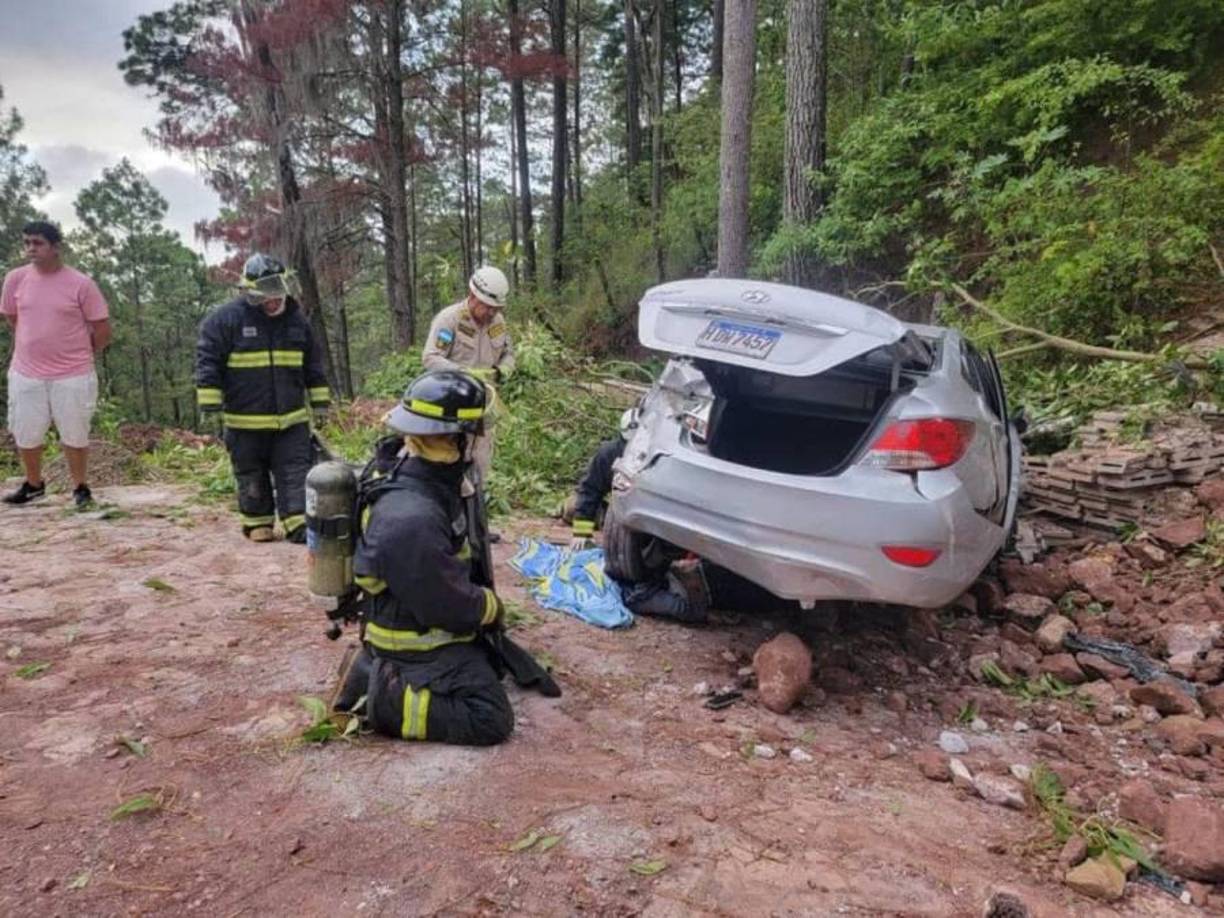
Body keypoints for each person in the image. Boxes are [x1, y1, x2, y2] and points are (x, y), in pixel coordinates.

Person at [332, 370, 516, 745]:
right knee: (489, 718)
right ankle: (378, 694)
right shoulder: (410, 515)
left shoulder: (422, 474)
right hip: (414, 643)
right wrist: (488, 607)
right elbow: (442, 603)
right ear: (453, 437)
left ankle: (377, 673)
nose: (479, 442)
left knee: (495, 667)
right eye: (474, 433)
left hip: (418, 620)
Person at [195, 253, 330, 542]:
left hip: (291, 421)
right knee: (251, 473)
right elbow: (208, 362)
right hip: (245, 422)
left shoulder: (297, 323)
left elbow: (313, 367)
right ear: (249, 293)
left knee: (295, 471)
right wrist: (210, 403)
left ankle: (297, 524)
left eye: (275, 295)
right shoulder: (224, 321)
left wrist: (320, 404)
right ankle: (258, 521)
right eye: (263, 297)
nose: (271, 302)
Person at [1, 221, 111, 509]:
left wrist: (82, 354)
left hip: (73, 373)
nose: (30, 249)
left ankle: (80, 487)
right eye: (26, 243)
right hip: (26, 371)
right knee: (26, 430)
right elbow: (13, 318)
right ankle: (34, 484)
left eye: (37, 243)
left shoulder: (81, 283)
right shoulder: (15, 279)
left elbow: (101, 328)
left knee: (74, 432)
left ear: (55, 247)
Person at [422, 266, 515, 486]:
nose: (492, 313)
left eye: (496, 308)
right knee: (449, 461)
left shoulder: (498, 323)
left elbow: (509, 353)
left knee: (480, 463)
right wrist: (463, 373)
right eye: (488, 307)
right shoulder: (450, 320)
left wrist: (503, 370)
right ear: (473, 296)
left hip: (484, 403)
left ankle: (476, 506)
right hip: (451, 403)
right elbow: (430, 358)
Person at [568, 406, 639, 550]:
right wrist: (581, 533)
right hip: (616, 507)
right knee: (572, 507)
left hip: (642, 511)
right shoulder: (608, 454)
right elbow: (590, 490)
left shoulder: (660, 457)